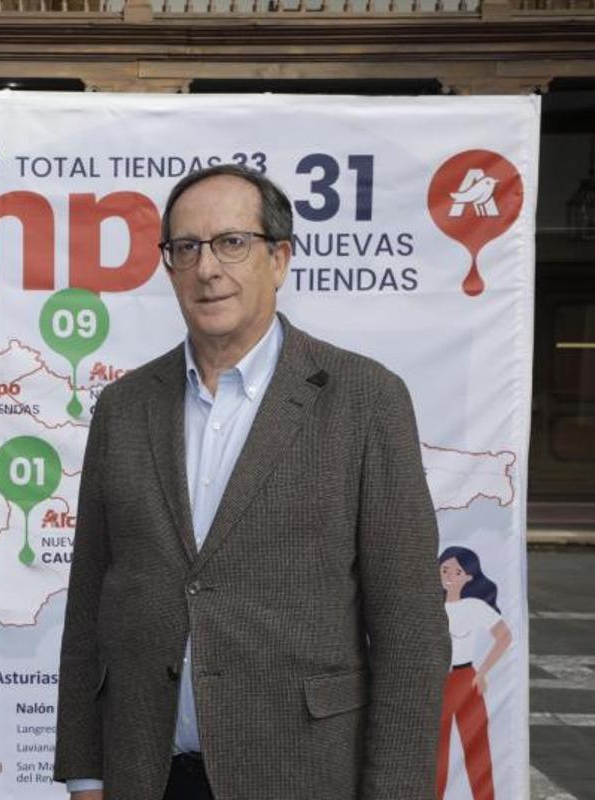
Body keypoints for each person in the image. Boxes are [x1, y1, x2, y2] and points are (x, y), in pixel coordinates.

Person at [54, 164, 450, 800]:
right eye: (186, 248)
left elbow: (410, 628)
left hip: (304, 776)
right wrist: (85, 771)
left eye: (232, 243)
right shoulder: (123, 408)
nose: (208, 268)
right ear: (169, 266)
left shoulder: (364, 399)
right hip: (146, 776)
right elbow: (90, 601)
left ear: (280, 258)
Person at [437, 546, 512, 800]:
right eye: (444, 569)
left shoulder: (473, 606)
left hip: (465, 677)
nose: (449, 575)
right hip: (436, 679)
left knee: (477, 746)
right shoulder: (428, 605)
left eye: (457, 571)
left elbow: (504, 636)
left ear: (469, 576)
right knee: (437, 750)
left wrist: (482, 673)